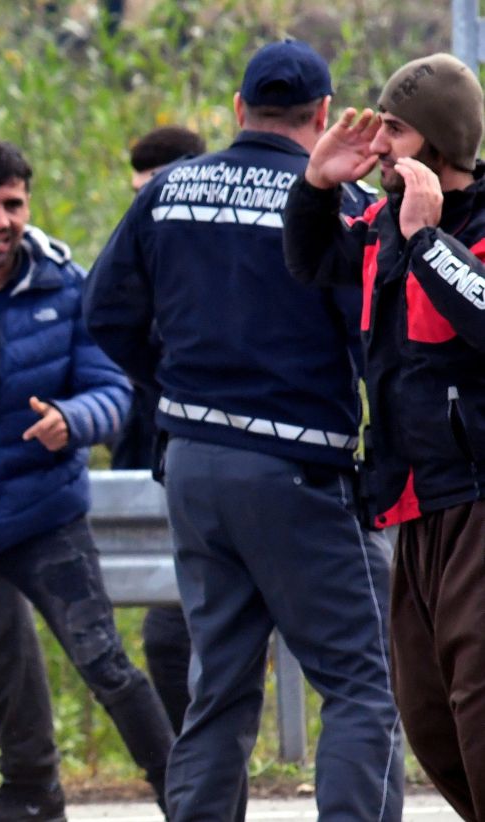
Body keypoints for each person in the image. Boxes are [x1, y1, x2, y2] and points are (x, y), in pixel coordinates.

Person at [86, 40, 403, 820]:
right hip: (297, 469)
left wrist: (179, 392)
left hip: (193, 464)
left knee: (217, 690)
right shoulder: (343, 204)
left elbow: (106, 313)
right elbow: (375, 345)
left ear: (237, 110)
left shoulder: (168, 192)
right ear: (325, 115)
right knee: (361, 685)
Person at [0, 141, 171, 821]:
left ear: (27, 207)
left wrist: (73, 420)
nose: (0, 219)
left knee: (104, 662)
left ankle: (191, 800)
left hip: (45, 515)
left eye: (13, 204)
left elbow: (114, 390)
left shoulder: (67, 287)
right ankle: (31, 790)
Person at [282, 53, 485, 819]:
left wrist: (429, 239)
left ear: (438, 143)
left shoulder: (450, 225)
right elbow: (309, 262)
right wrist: (316, 186)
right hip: (412, 500)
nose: (380, 144)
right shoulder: (378, 224)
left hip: (478, 498)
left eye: (395, 130)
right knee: (429, 715)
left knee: (479, 704)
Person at [115, 125, 207, 735]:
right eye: (137, 197)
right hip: (174, 475)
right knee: (172, 640)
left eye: (155, 195)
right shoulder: (135, 267)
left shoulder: (213, 275)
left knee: (179, 636)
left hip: (236, 474)